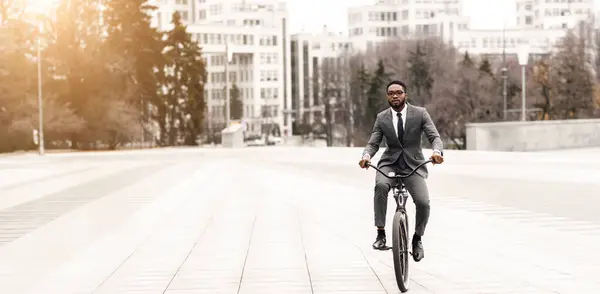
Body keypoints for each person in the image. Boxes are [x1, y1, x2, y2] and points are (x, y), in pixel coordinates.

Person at [358, 80, 444, 262]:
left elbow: (434, 136)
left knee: (423, 202)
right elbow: (374, 142)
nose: (395, 96)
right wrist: (366, 156)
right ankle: (381, 234)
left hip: (414, 165)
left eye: (399, 92)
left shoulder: (420, 114)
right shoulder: (382, 118)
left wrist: (436, 152)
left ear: (405, 94)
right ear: (387, 96)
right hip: (389, 163)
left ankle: (417, 239)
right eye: (391, 93)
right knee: (380, 186)